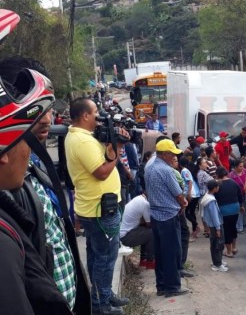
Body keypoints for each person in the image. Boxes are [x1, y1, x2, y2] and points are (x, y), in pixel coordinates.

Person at [0, 67, 78, 314]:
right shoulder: (12, 183)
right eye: (36, 111)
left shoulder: (33, 166)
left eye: (49, 110)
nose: (46, 119)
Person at [65, 98, 130, 314]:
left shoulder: (80, 136)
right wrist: (118, 149)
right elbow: (102, 172)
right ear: (84, 115)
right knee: (106, 257)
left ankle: (103, 294)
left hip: (95, 208)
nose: (98, 117)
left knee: (96, 255)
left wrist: (110, 144)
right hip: (101, 210)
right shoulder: (83, 141)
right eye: (95, 113)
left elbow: (101, 161)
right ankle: (101, 305)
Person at [144, 139, 189, 298]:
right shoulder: (167, 170)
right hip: (169, 215)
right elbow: (179, 195)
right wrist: (183, 203)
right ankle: (172, 287)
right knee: (172, 253)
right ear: (165, 154)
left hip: (156, 215)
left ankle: (161, 286)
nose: (174, 157)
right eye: (172, 154)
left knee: (161, 253)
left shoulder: (149, 167)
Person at [119, 192, 154, 269]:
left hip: (122, 234)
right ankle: (151, 261)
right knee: (151, 233)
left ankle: (143, 260)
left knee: (145, 232)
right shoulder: (145, 204)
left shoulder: (138, 198)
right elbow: (149, 224)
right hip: (124, 237)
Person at [214, 166, 243, 258]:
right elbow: (240, 195)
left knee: (226, 230)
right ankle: (234, 247)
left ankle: (229, 251)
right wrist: (241, 205)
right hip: (235, 208)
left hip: (224, 209)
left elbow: (214, 197)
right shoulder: (233, 183)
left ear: (217, 174)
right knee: (233, 227)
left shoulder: (217, 184)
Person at [200, 180, 229, 272]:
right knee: (218, 243)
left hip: (211, 224)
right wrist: (218, 228)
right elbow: (214, 215)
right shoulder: (211, 201)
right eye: (217, 186)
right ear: (214, 188)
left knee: (215, 243)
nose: (218, 188)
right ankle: (217, 264)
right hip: (215, 224)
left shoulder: (207, 196)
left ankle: (218, 260)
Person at [180, 158, 201, 240]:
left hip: (192, 194)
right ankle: (195, 229)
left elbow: (189, 182)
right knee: (191, 212)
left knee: (187, 212)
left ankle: (196, 225)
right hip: (195, 193)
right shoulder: (187, 170)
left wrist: (189, 193)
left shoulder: (184, 171)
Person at [229, 160, 246, 233]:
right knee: (240, 210)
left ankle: (243, 223)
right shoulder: (231, 175)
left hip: (245, 193)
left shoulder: (245, 171)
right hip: (237, 195)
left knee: (245, 209)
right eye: (240, 166)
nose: (242, 168)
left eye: (243, 166)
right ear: (235, 167)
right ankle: (239, 227)